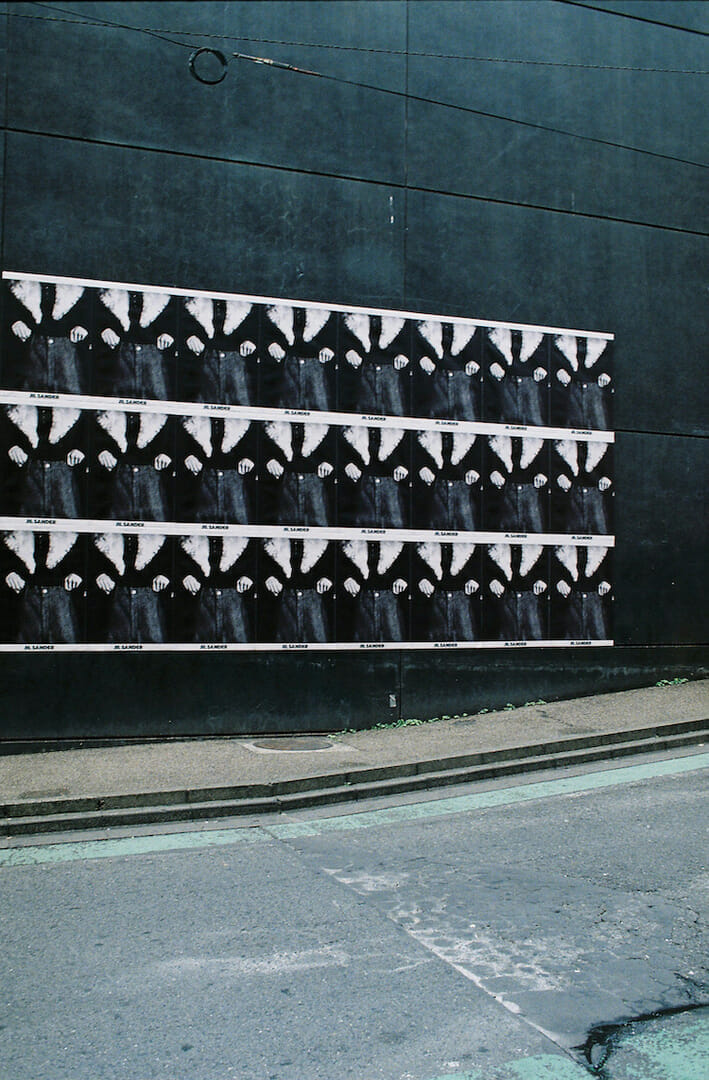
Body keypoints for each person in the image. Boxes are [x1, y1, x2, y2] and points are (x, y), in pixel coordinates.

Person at [3, 278, 92, 393]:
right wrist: (14, 320)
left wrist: (85, 324)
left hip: (69, 349)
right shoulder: (15, 282)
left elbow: (94, 304)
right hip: (27, 346)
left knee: (71, 396)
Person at [1, 404, 88, 518]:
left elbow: (90, 426)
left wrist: (82, 448)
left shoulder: (74, 407)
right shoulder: (13, 407)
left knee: (67, 522)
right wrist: (11, 446)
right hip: (24, 471)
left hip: (65, 473)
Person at [0, 529, 85, 643]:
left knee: (66, 647)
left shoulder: (71, 533)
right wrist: (7, 571)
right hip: (21, 596)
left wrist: (79, 572)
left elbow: (87, 552)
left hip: (63, 597)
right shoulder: (9, 533)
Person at [94, 286, 179, 400]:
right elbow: (91, 311)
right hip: (116, 354)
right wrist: (103, 328)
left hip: (155, 355)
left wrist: (171, 332)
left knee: (157, 404)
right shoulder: (105, 292)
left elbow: (180, 314)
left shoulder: (165, 294)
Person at [89, 409, 174, 522]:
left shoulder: (161, 415)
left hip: (153, 476)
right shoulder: (103, 413)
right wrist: (100, 451)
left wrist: (168, 453)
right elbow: (89, 435)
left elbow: (177, 437)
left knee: (155, 523)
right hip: (114, 475)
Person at [88, 531, 172, 643]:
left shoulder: (160, 534)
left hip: (152, 595)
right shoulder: (100, 535)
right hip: (111, 595)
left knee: (153, 645)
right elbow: (87, 554)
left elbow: (174, 554)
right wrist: (98, 573)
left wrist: (166, 574)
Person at [173, 534, 257, 643]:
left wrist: (250, 575)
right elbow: (173, 558)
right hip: (197, 598)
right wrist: (185, 575)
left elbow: (257, 558)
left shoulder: (244, 538)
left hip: (236, 598)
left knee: (238, 644)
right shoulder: (186, 538)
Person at [179, 295, 260, 406]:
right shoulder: (190, 300)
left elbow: (261, 318)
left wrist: (253, 339)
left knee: (241, 407)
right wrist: (188, 335)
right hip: (199, 358)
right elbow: (177, 316)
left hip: (239, 359)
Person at [175, 414, 257, 524]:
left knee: (238, 527)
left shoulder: (244, 417)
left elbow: (258, 439)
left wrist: (251, 457)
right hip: (199, 478)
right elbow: (175, 438)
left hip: (236, 479)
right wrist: (186, 455)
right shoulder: (189, 417)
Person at [260, 304, 337, 411]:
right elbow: (260, 327)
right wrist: (270, 343)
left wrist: (331, 347)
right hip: (281, 364)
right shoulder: (272, 307)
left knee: (318, 411)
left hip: (318, 365)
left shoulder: (326, 309)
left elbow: (339, 330)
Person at [260, 419, 336, 526]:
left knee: (318, 528)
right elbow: (258, 440)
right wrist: (268, 459)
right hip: (280, 480)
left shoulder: (322, 422)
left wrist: (331, 460)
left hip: (317, 480)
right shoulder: (271, 422)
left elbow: (338, 439)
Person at [259, 538, 335, 643]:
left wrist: (329, 576)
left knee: (318, 644)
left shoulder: (323, 540)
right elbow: (258, 558)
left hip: (315, 597)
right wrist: (268, 576)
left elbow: (336, 558)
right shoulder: (270, 540)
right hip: (280, 597)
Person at [337, 311, 412, 416]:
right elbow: (336, 334)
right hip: (358, 370)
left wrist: (406, 354)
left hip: (393, 371)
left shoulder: (401, 315)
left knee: (395, 417)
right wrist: (347, 350)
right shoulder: (348, 315)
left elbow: (414, 336)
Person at [337, 539, 410, 643]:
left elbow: (410, 561)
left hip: (391, 598)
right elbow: (336, 561)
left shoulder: (399, 542)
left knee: (394, 642)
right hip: (357, 598)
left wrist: (404, 577)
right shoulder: (347, 542)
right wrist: (346, 577)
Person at [338, 425, 411, 528]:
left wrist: (404, 465)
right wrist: (346, 463)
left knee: (394, 529)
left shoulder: (400, 430)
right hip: (357, 485)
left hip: (393, 485)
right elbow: (336, 448)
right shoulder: (348, 429)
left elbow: (413, 449)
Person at [411, 319, 481, 420]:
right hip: (431, 378)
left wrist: (477, 360)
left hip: (464, 379)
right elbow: (409, 340)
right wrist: (420, 357)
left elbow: (484, 342)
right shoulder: (421, 324)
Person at [412, 429, 481, 531]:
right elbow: (410, 449)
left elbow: (484, 451)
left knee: (466, 533)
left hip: (465, 487)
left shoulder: (471, 432)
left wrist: (476, 469)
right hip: (431, 487)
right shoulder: (422, 432)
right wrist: (420, 467)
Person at [411, 541, 481, 642]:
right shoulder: (421, 545)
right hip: (431, 597)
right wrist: (421, 578)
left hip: (464, 597)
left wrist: (475, 578)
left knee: (467, 640)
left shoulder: (471, 545)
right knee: (433, 640)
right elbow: (411, 561)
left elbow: (482, 561)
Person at [483, 326, 549, 426]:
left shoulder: (539, 333)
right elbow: (481, 347)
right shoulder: (492, 331)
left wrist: (545, 366)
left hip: (533, 383)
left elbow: (551, 350)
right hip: (501, 381)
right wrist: (490, 364)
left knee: (534, 425)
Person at [483, 542, 549, 641]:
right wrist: (490, 580)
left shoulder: (539, 547)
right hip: (501, 597)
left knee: (534, 640)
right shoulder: (492, 547)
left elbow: (551, 564)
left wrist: (544, 579)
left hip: (533, 597)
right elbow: (481, 564)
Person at [484, 434, 550, 533]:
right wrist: (492, 471)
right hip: (501, 492)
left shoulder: (539, 439)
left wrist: (544, 472)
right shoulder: (494, 438)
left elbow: (551, 457)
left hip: (533, 492)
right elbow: (484, 456)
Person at [550, 438, 613, 535]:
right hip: (568, 494)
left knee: (600, 534)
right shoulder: (560, 443)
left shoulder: (604, 442)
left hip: (598, 493)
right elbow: (549, 460)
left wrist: (609, 476)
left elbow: (616, 458)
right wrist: (558, 475)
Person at [551, 544, 612, 641]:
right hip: (567, 599)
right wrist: (558, 581)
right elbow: (549, 566)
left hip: (596, 598)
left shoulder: (603, 547)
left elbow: (612, 567)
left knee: (598, 638)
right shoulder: (560, 548)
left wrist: (607, 581)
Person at [551, 334, 612, 430]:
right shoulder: (559, 339)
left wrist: (609, 373)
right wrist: (558, 370)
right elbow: (549, 358)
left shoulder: (604, 339)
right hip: (568, 390)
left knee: (600, 431)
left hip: (597, 390)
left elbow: (616, 358)